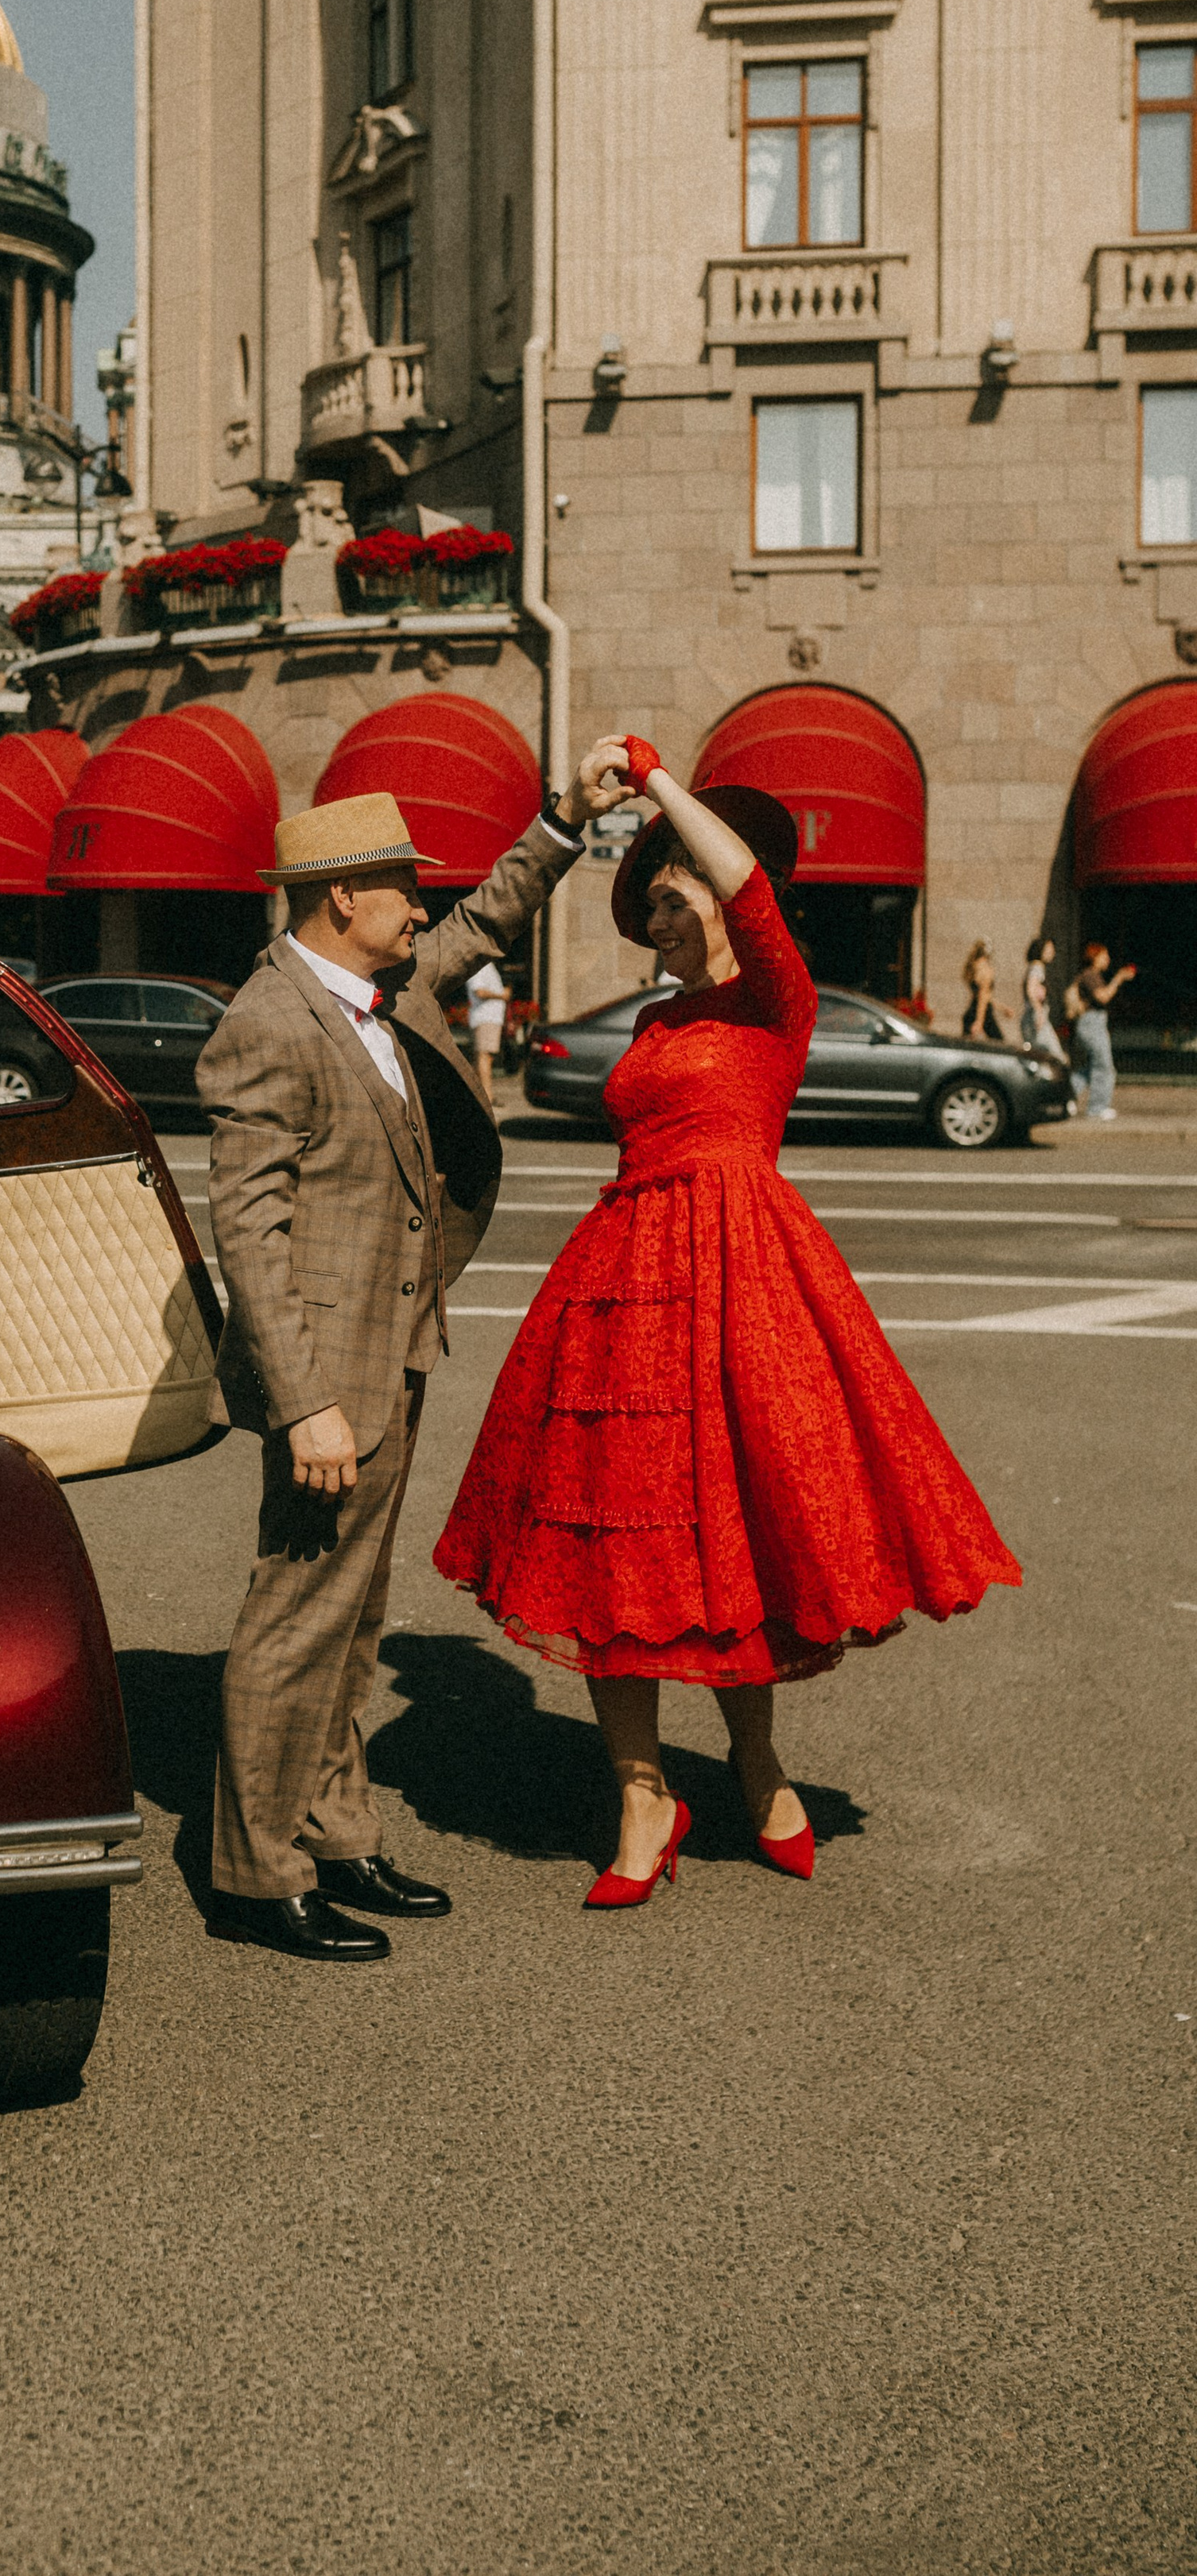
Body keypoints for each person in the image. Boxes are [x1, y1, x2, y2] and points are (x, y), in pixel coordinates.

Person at [433, 737, 1021, 1910]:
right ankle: (642, 1792)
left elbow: (747, 886)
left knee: (733, 1530)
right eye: (646, 900)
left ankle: (757, 1768)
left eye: (668, 891)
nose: (654, 912)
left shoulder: (776, 998)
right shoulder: (656, 1024)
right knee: (616, 1539)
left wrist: (655, 782)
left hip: (739, 1270)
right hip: (622, 1279)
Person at [197, 744, 628, 1963]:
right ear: (346, 898)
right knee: (294, 1618)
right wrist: (304, 1405)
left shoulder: (378, 992)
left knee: (356, 1613)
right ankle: (253, 1870)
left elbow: (487, 918)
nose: (421, 908)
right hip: (329, 1383)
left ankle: (336, 1833)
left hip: (395, 1348)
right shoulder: (269, 1021)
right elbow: (251, 1231)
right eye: (404, 889)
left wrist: (562, 818)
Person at [1067, 942, 1135, 1123]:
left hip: (1092, 1024)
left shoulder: (1091, 975)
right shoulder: (1090, 976)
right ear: (1094, 957)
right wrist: (1118, 979)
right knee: (1104, 1067)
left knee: (1091, 1068)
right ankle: (1097, 1108)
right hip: (1091, 1024)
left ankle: (1066, 1097)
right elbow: (1103, 997)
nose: (1108, 959)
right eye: (1104, 956)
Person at [465, 957, 509, 1099]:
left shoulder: (487, 966)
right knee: (484, 1056)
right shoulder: (478, 966)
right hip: (485, 1017)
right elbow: (480, 992)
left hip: (491, 1018)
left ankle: (478, 1093)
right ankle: (486, 1096)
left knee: (486, 1057)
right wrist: (502, 995)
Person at [1022, 936, 1062, 1062]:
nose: (1053, 953)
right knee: (1056, 1056)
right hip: (1036, 1017)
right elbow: (1030, 989)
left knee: (1037, 1056)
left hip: (1032, 1017)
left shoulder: (1034, 967)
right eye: (1049, 949)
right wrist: (1039, 1011)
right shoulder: (1037, 967)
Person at [961, 940, 1006, 1042]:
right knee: (1000, 1045)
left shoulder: (973, 967)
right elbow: (983, 996)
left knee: (967, 1047)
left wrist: (1002, 1008)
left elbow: (984, 996)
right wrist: (979, 1021)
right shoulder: (986, 969)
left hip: (971, 1012)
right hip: (983, 1014)